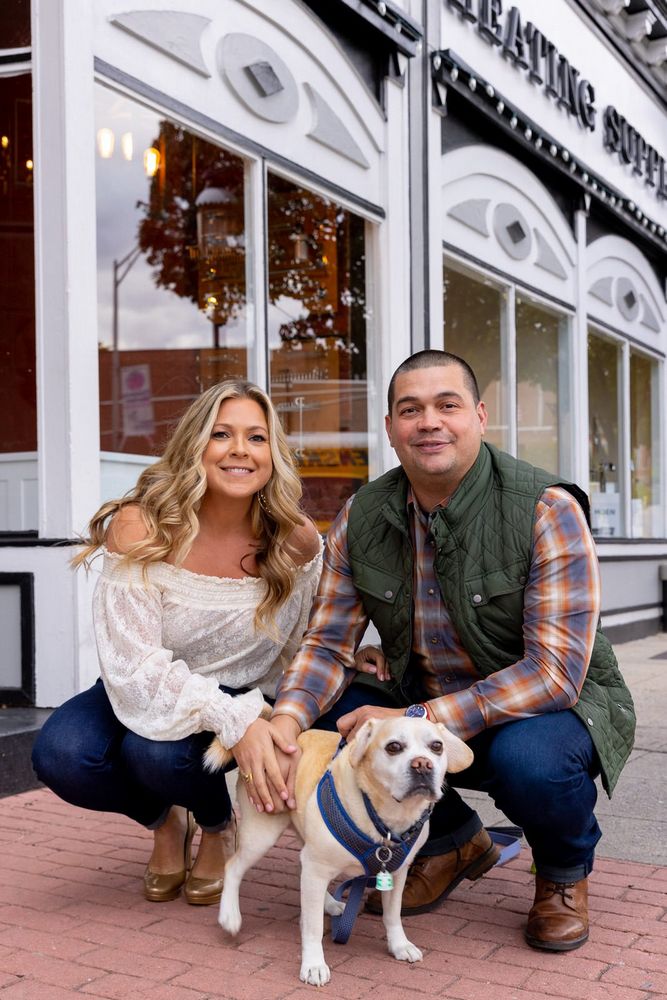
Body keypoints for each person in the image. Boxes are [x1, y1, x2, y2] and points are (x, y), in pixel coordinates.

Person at [244, 350, 635, 952]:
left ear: (479, 416)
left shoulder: (545, 510)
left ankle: (562, 872)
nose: (429, 422)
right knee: (332, 720)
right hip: (425, 695)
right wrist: (285, 723)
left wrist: (419, 719)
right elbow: (325, 643)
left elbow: (554, 673)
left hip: (543, 708)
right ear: (390, 428)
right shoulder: (361, 516)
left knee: (533, 764)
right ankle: (451, 843)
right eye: (411, 410)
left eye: (446, 405)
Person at [32, 379, 325, 905]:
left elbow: (315, 630)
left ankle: (216, 827)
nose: (240, 449)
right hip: (146, 680)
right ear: (195, 445)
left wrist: (266, 711)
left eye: (256, 437)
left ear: (273, 454)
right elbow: (135, 663)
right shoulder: (143, 526)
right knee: (62, 754)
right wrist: (236, 723)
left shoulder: (295, 538)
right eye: (221, 434)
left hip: (244, 688)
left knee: (156, 756)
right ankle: (166, 822)